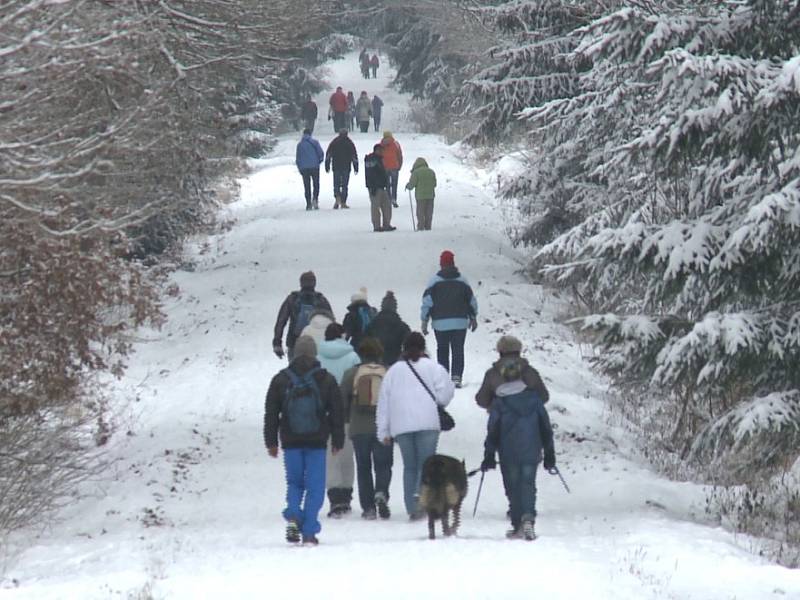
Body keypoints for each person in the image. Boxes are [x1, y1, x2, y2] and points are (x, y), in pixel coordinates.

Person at [263, 335, 345, 545]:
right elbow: (337, 411)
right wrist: (338, 439)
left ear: (296, 353)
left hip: (291, 440)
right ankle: (309, 531)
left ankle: (292, 514)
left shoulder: (281, 379)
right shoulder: (325, 379)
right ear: (314, 353)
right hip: (317, 440)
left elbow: (271, 413)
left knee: (294, 482)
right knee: (315, 486)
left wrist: (271, 441)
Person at [480, 345, 555, 541]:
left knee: (512, 485)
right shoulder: (534, 399)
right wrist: (550, 454)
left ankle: (516, 524)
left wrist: (489, 455)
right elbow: (546, 428)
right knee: (528, 483)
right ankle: (528, 518)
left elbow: (493, 431)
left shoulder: (499, 403)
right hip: (532, 447)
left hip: (508, 450)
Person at [376, 332, 454, 520]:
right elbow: (446, 393)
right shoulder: (433, 368)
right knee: (425, 465)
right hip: (428, 422)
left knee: (409, 466)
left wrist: (383, 431)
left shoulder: (393, 371)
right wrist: (436, 403)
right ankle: (422, 498)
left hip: (401, 425)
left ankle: (412, 507)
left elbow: (384, 402)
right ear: (423, 347)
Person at [341, 337, 394, 520]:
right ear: (379, 353)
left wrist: (347, 419)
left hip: (359, 427)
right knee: (384, 464)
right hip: (383, 427)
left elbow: (342, 401)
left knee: (363, 467)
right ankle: (381, 492)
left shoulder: (352, 373)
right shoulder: (388, 372)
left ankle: (368, 508)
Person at [317, 323, 361, 518]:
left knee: (330, 456)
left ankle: (335, 497)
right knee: (347, 456)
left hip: (325, 414)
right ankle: (346, 494)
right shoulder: (352, 357)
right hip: (348, 412)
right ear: (343, 336)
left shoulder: (317, 357)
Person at [420, 250, 478, 388]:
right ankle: (456, 377)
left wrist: (424, 321)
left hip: (440, 323)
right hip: (460, 322)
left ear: (441, 264)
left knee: (442, 349)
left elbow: (427, 302)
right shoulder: (462, 281)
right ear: (453, 263)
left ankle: (444, 377)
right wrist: (473, 317)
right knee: (458, 350)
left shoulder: (434, 281)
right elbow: (471, 301)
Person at [475, 335, 549, 410]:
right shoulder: (530, 372)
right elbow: (544, 396)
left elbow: (482, 400)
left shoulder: (492, 374)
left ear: (500, 351)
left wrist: (496, 406)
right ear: (519, 350)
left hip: (501, 419)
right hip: (530, 419)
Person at [273, 271, 333, 360]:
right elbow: (331, 323)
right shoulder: (321, 300)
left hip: (294, 342)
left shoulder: (292, 299)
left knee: (295, 370)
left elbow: (281, 321)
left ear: (301, 283)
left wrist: (277, 343)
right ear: (314, 283)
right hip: (316, 343)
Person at [365, 291, 411, 366]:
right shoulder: (402, 326)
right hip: (394, 363)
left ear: (382, 307)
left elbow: (364, 342)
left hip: (375, 363)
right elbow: (409, 345)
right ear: (395, 308)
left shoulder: (372, 325)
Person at [364, 143, 395, 232]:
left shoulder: (379, 159)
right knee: (375, 207)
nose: (382, 152)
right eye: (381, 150)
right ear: (377, 150)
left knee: (387, 206)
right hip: (375, 187)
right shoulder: (371, 160)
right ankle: (377, 226)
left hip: (382, 186)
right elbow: (370, 174)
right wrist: (373, 186)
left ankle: (386, 224)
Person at [325, 129, 358, 209]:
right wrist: (356, 167)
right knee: (344, 185)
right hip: (346, 167)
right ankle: (343, 202)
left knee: (336, 184)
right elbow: (354, 156)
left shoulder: (334, 142)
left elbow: (328, 155)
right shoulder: (349, 143)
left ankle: (337, 199)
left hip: (336, 166)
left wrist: (327, 165)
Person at [295, 128, 324, 211]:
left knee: (306, 186)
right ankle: (315, 199)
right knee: (316, 184)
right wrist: (319, 161)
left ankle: (308, 203)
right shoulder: (314, 142)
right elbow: (321, 153)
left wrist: (300, 167)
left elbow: (298, 157)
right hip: (314, 167)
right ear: (310, 134)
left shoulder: (300, 145)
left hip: (304, 168)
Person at [405, 157, 437, 230]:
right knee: (429, 212)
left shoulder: (416, 172)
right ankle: (428, 226)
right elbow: (434, 184)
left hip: (420, 196)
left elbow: (412, 184)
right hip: (430, 195)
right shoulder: (431, 171)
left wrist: (408, 186)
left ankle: (421, 226)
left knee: (420, 212)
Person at [343, 287, 377, 352]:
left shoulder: (351, 315)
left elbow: (346, 334)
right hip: (373, 346)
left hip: (357, 346)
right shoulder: (373, 312)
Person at [380, 131, 403, 208]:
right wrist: (400, 165)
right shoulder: (396, 144)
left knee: (386, 185)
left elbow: (378, 156)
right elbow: (399, 155)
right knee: (394, 184)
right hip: (394, 166)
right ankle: (394, 198)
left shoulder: (381, 145)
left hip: (384, 167)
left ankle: (388, 199)